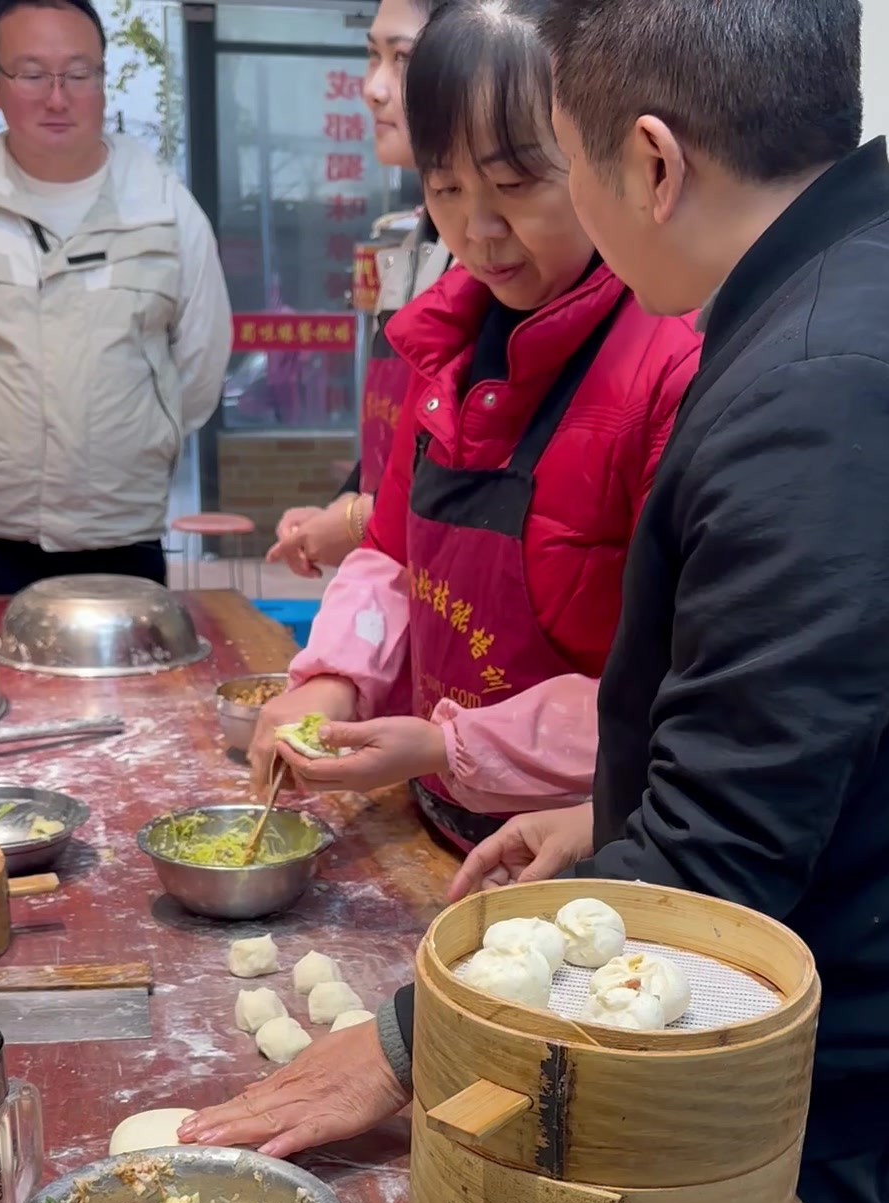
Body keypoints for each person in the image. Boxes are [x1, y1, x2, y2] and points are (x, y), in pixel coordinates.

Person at [183, 0, 889, 1203]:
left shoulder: (814, 387)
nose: (498, 218)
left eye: (553, 164)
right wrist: (598, 817)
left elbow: (722, 855)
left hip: (836, 1077)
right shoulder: (841, 289)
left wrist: (410, 1044)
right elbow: (797, 722)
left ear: (650, 164)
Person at [253, 0, 699, 846]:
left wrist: (452, 745)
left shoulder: (667, 372)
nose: (479, 231)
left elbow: (668, 690)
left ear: (600, 159)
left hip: (573, 853)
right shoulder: (445, 341)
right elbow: (390, 551)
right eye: (446, 187)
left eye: (515, 185)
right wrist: (334, 679)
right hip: (433, 814)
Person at [0, 0, 230, 596]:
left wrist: (143, 433)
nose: (57, 97)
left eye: (77, 73)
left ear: (102, 76)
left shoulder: (165, 208)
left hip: (122, 535)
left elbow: (200, 365)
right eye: (32, 74)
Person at [268, 0, 451, 581]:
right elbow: (398, 436)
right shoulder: (411, 240)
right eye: (373, 56)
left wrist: (354, 522)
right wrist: (346, 504)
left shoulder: (505, 260)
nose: (373, 88)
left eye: (403, 60)